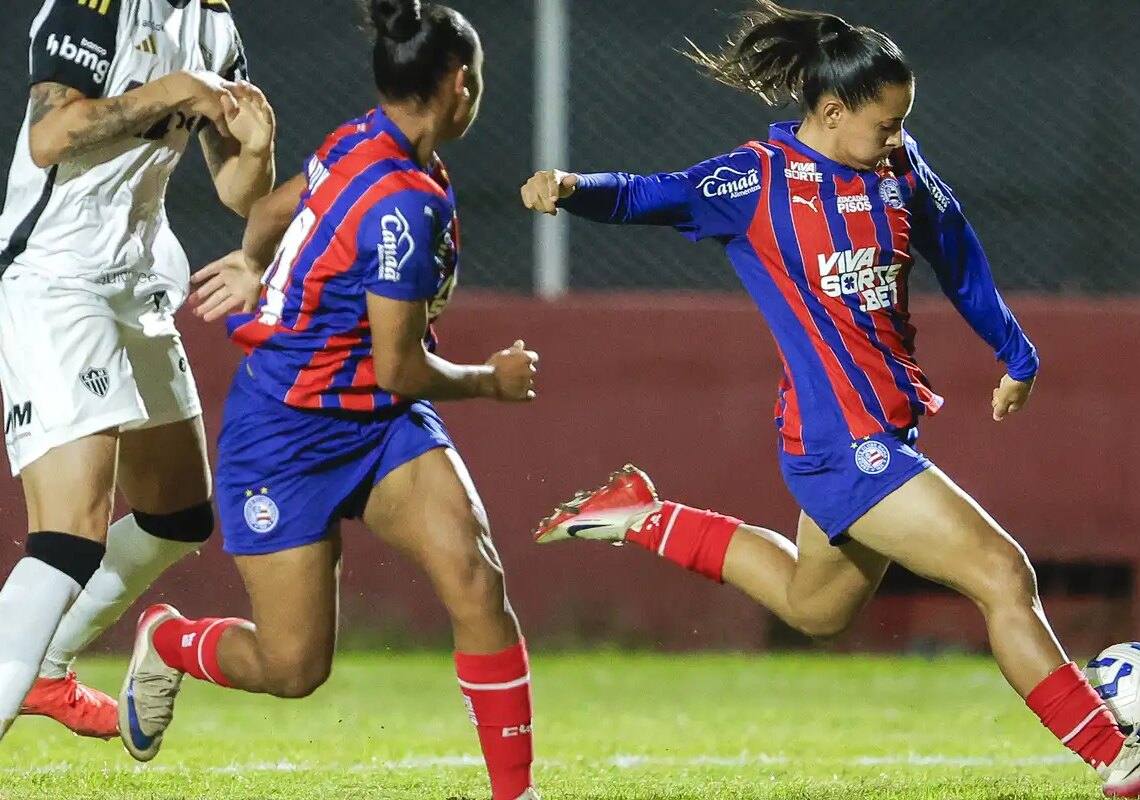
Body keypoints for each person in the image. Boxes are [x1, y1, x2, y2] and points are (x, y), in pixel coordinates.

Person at [520, 2, 1140, 796]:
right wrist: (572, 188)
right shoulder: (755, 180)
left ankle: (640, 514)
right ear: (832, 111)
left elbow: (953, 244)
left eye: (901, 125)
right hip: (841, 442)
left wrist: (1015, 348)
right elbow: (655, 194)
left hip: (879, 433)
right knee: (1002, 575)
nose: (896, 140)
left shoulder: (898, 166)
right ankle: (1114, 757)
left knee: (814, 610)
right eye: (885, 126)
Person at [118, 3, 540, 799]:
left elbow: (277, 208)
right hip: (287, 437)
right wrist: (492, 379)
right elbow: (400, 370)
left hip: (378, 430)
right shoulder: (406, 204)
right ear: (459, 84)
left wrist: (255, 265)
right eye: (476, 78)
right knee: (293, 668)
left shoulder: (363, 138)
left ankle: (518, 794)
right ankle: (172, 642)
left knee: (476, 581)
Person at [0, 0, 275, 741]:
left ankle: (46, 670)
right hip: (58, 278)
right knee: (69, 534)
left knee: (179, 514)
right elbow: (50, 136)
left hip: (140, 277)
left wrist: (255, 150)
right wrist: (171, 91)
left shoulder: (215, 25)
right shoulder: (97, 5)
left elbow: (238, 194)